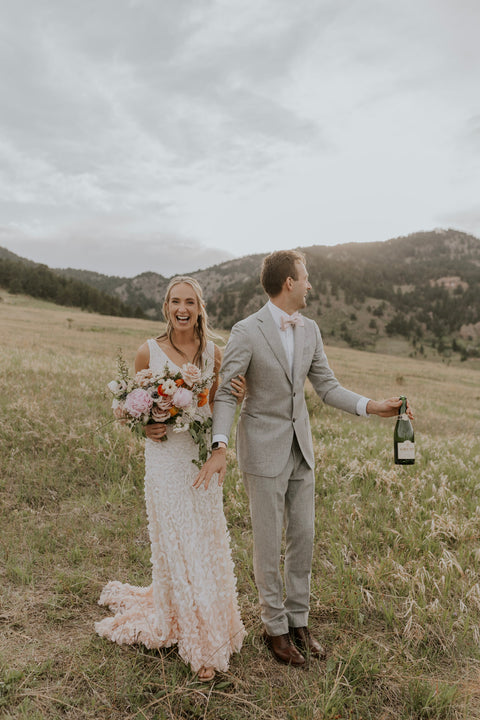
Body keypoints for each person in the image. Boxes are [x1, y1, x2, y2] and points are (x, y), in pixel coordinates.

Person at [194, 250, 413, 667]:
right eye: (306, 277)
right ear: (289, 283)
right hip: (262, 449)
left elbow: (328, 387)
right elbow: (225, 392)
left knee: (304, 538)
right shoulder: (247, 331)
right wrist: (219, 444)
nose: (310, 284)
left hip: (301, 451)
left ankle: (299, 620)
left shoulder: (310, 330)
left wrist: (374, 406)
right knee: (268, 541)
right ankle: (274, 627)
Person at [95, 276, 246, 682]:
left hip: (200, 459)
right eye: (176, 301)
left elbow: (216, 406)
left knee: (206, 537)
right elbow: (125, 407)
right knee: (179, 541)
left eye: (190, 302)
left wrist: (238, 400)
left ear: (200, 309)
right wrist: (145, 427)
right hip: (163, 460)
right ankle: (200, 647)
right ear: (167, 307)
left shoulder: (214, 353)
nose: (183, 308)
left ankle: (209, 618)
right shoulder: (148, 351)